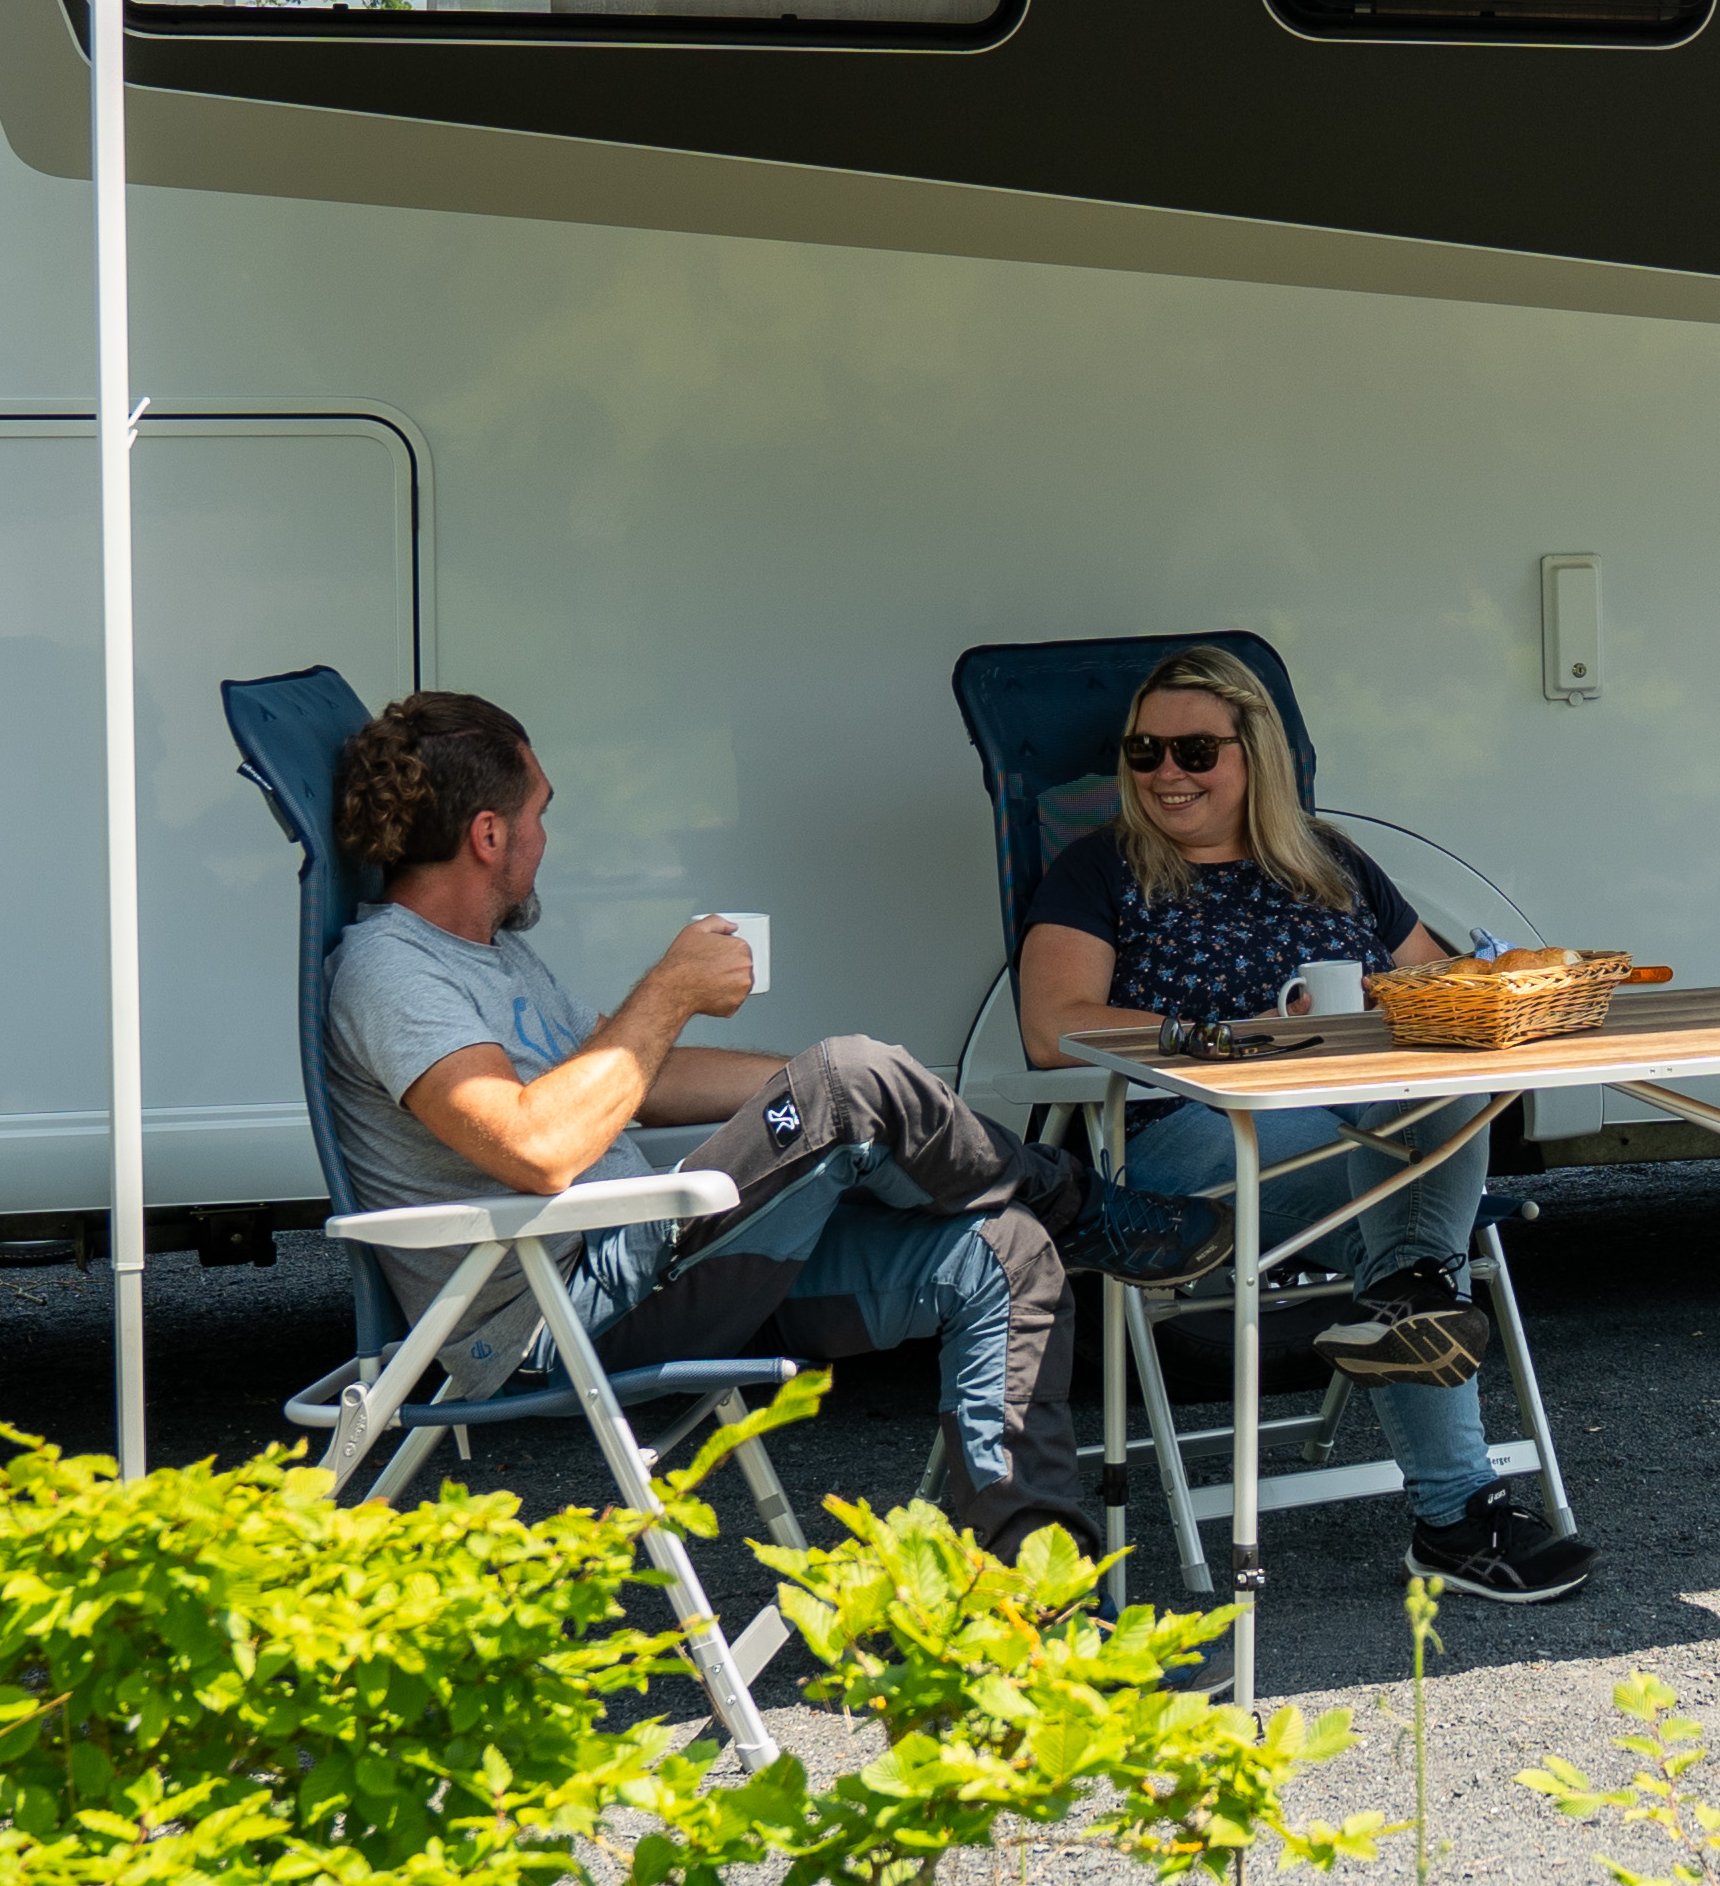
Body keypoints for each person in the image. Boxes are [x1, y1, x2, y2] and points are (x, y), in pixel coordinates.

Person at [326, 684, 1203, 1548]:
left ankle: (1033, 1587)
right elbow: (536, 1145)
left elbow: (632, 1080)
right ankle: (1085, 1206)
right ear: (488, 835)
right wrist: (682, 996)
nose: (545, 839)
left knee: (1004, 1254)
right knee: (852, 1081)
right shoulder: (393, 975)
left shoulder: (495, 956)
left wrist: (819, 1092)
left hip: (648, 1264)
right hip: (561, 1306)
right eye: (539, 814)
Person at [1016, 647, 1596, 1603]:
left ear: (1257, 754)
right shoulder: (1101, 871)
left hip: (1361, 1132)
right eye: (1145, 750)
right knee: (1407, 1206)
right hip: (1191, 1144)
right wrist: (1224, 1036)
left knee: (1446, 1099)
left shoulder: (1333, 864)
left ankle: (1409, 1306)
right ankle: (1455, 1507)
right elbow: (1053, 1025)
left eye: (1196, 750)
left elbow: (1442, 989)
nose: (1166, 772)